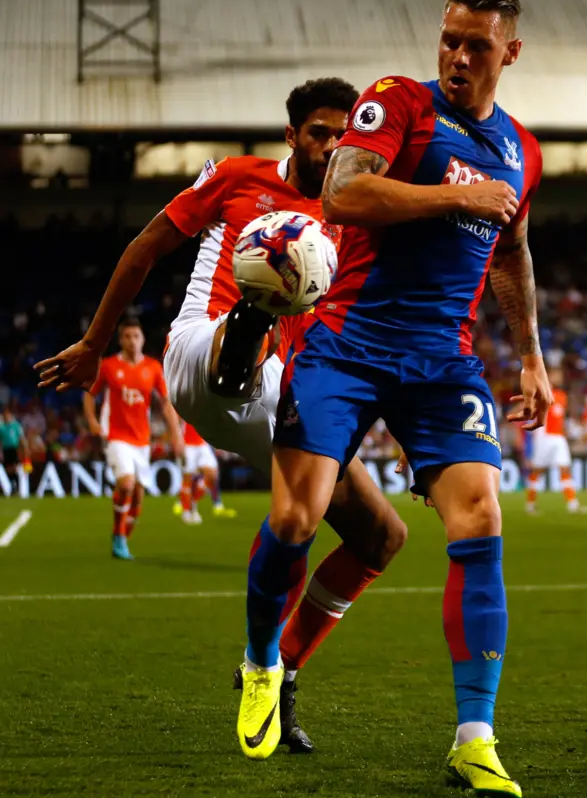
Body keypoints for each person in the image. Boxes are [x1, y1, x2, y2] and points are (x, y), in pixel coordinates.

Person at [236, 0, 553, 798]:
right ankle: (263, 661)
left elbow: (512, 252)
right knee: (295, 517)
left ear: (508, 52)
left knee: (481, 517)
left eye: (476, 43)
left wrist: (532, 356)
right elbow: (343, 191)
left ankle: (474, 739)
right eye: (449, 37)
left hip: (441, 362)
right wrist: (458, 194)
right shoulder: (397, 102)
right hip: (345, 345)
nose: (456, 55)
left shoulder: (521, 149)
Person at [35, 78, 408, 754]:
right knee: (283, 262)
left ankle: (275, 669)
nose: (331, 145)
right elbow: (146, 246)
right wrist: (94, 342)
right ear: (292, 136)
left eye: (342, 133)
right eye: (319, 132)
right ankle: (253, 320)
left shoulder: (362, 220)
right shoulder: (237, 179)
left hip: (274, 397)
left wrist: (405, 431)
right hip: (200, 354)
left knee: (379, 537)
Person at [81, 317, 184, 559]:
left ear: (143, 339)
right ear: (120, 340)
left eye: (136, 336)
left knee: (138, 496)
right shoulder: (108, 366)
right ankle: (118, 537)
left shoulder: (153, 368)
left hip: (142, 441)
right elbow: (88, 395)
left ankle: (121, 538)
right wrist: (94, 422)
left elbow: (166, 403)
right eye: (127, 336)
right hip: (115, 437)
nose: (132, 341)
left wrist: (177, 435)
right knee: (126, 484)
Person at [525, 368, 587, 514]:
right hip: (545, 437)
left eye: (560, 375)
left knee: (565, 468)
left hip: (559, 437)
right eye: (555, 375)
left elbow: (560, 418)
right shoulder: (541, 394)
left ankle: (572, 504)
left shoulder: (562, 396)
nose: (558, 377)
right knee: (537, 470)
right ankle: (530, 504)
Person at [173, 420, 237, 523]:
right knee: (187, 478)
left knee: (212, 475)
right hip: (187, 443)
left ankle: (192, 502)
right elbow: (176, 419)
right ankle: (186, 512)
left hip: (202, 443)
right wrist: (177, 440)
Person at [0, 407, 31, 495]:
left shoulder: (16, 425)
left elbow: (21, 438)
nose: (6, 417)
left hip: (15, 449)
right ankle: (11, 485)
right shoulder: (2, 427)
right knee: (7, 468)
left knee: (15, 467)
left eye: (7, 415)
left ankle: (15, 485)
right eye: (4, 416)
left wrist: (25, 449)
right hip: (6, 450)